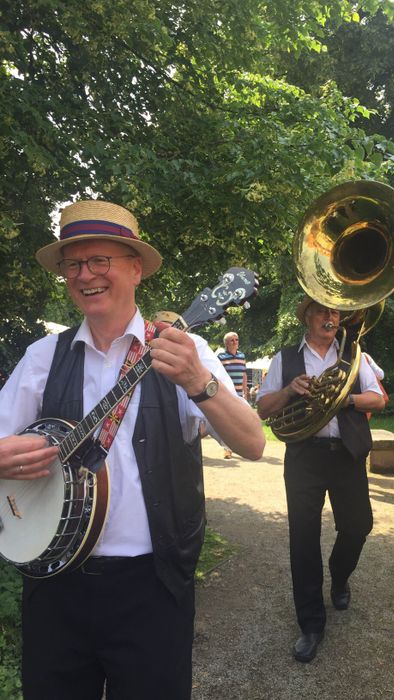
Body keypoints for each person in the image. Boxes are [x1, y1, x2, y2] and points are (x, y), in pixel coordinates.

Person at [0, 199, 265, 700]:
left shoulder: (187, 352)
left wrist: (199, 382)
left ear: (136, 268)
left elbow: (251, 443)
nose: (85, 275)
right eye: (73, 264)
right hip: (54, 585)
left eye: (101, 260)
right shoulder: (42, 357)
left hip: (152, 587)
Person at [256, 295, 385, 663]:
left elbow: (378, 399)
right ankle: (311, 624)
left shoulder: (354, 356)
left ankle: (340, 576)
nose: (330, 318)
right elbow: (264, 408)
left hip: (346, 454)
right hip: (304, 457)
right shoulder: (285, 359)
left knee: (358, 525)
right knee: (303, 538)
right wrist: (289, 390)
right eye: (323, 312)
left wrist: (343, 399)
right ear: (307, 317)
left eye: (335, 313)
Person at [217, 331, 248, 458]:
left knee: (240, 421)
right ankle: (227, 448)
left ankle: (240, 446)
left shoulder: (242, 356)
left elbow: (244, 374)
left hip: (239, 394)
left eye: (237, 339)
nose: (235, 342)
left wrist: (245, 391)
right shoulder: (221, 357)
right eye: (232, 340)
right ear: (226, 343)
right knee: (227, 421)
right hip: (227, 394)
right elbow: (217, 375)